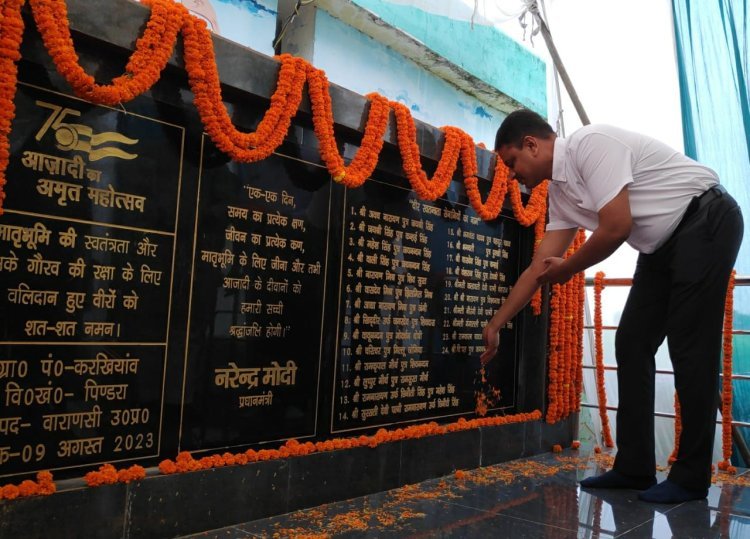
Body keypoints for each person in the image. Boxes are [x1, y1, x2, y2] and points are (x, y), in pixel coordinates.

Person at [481, 109, 743, 504]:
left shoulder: (591, 144)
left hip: (705, 219)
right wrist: (497, 323)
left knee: (690, 348)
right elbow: (540, 266)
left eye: (512, 162)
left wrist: (569, 267)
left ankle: (690, 478)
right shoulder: (560, 192)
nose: (512, 174)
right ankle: (634, 468)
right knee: (632, 342)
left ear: (532, 144)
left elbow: (616, 227)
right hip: (660, 245)